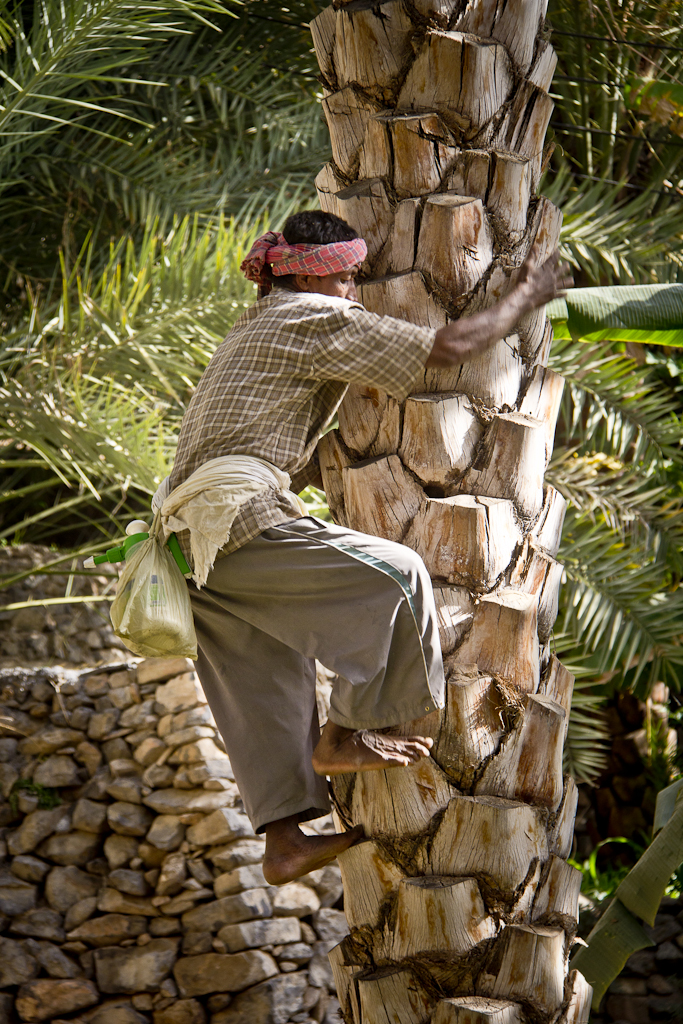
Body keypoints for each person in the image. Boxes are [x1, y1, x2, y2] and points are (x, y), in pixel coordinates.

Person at [162, 210, 572, 885]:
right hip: (233, 516)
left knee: (265, 685)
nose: (353, 291)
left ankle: (285, 843)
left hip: (185, 541)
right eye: (349, 278)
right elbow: (444, 349)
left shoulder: (256, 322)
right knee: (398, 572)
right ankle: (350, 731)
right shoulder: (308, 317)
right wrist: (524, 297)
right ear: (322, 278)